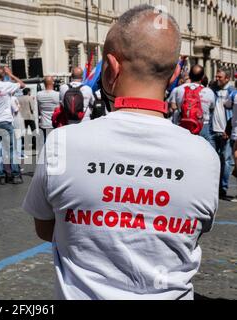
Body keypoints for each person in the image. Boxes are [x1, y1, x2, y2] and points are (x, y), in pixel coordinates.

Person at [23, 5, 219, 300]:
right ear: (176, 72)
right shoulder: (205, 157)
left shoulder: (61, 143)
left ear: (111, 67)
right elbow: (189, 235)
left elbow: (45, 227)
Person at [170, 65, 215, 143]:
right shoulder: (209, 92)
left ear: (190, 75)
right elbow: (212, 108)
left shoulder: (179, 90)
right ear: (202, 77)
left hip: (183, 126)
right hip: (203, 126)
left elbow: (174, 107)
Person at [210, 68, 234, 200]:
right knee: (213, 160)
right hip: (213, 130)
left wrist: (228, 130)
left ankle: (223, 189)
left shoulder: (232, 92)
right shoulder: (213, 90)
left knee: (226, 160)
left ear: (227, 79)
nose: (217, 79)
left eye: (220, 77)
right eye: (216, 76)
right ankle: (213, 188)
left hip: (225, 131)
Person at [37, 76, 59, 141]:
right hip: (55, 123)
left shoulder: (39, 94)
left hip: (44, 124)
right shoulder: (57, 94)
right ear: (53, 83)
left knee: (46, 143)